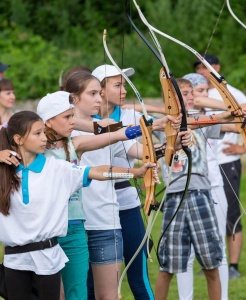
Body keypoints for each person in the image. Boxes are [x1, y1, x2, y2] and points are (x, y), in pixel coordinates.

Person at [0, 110, 156, 300]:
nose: (44, 138)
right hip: (14, 260)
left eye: (43, 132)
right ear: (18, 139)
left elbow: (99, 172)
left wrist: (135, 173)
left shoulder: (56, 168)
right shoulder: (4, 171)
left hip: (47, 258)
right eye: (37, 133)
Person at [79, 65, 188, 300]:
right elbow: (114, 133)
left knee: (138, 276)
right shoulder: (81, 121)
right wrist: (154, 127)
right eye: (117, 85)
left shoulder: (129, 115)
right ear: (100, 89)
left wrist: (172, 145)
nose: (123, 90)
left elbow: (139, 149)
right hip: (92, 206)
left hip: (125, 201)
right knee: (90, 281)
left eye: (124, 85)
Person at [36, 89, 149, 300]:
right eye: (67, 117)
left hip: (75, 227)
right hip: (48, 229)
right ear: (49, 121)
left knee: (77, 293)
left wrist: (139, 133)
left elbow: (112, 137)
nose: (73, 122)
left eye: (72, 116)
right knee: (55, 294)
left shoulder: (74, 144)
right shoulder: (35, 149)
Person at [194, 53, 246, 279]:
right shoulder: (197, 95)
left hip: (227, 163)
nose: (202, 72)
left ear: (216, 67)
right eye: (198, 68)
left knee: (231, 215)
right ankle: (209, 261)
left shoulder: (231, 93)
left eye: (205, 67)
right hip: (203, 165)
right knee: (205, 215)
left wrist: (243, 148)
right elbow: (197, 103)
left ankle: (233, 266)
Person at [175, 74, 229, 300]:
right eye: (185, 93)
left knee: (217, 252)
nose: (193, 98)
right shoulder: (164, 122)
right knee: (183, 255)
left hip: (210, 188)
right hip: (178, 192)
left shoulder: (205, 119)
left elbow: (232, 112)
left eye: (195, 93)